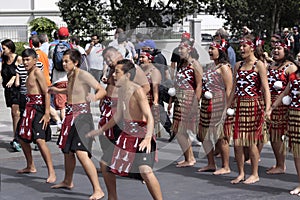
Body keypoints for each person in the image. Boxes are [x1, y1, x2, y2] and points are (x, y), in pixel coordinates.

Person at [87, 59, 163, 200]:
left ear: (127, 75)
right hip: (126, 135)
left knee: (145, 171)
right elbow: (118, 116)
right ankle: (112, 197)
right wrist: (101, 129)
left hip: (141, 135)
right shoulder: (121, 90)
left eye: (117, 72)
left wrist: (147, 138)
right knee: (104, 164)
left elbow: (149, 117)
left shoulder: (138, 90)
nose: (113, 75)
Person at [49, 49, 106, 200]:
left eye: (67, 61)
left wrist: (94, 97)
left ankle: (98, 189)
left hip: (82, 117)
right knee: (67, 152)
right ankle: (68, 181)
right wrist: (57, 90)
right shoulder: (70, 74)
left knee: (81, 153)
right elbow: (72, 89)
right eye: (63, 60)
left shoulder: (83, 74)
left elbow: (101, 90)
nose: (64, 63)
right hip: (70, 115)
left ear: (75, 62)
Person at [226, 34, 271, 184]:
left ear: (251, 47)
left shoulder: (259, 65)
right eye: (240, 46)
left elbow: (265, 89)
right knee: (237, 142)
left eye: (244, 46)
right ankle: (240, 173)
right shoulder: (237, 65)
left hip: (254, 106)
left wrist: (268, 108)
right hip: (239, 105)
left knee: (251, 141)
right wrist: (227, 106)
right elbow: (233, 89)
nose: (241, 49)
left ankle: (255, 173)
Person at [16, 48, 56, 183]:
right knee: (22, 138)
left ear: (35, 60)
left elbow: (47, 92)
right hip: (28, 108)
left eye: (28, 60)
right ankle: (30, 165)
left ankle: (51, 172)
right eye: (24, 60)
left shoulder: (37, 72)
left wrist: (46, 112)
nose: (25, 62)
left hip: (38, 108)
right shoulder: (28, 73)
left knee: (40, 140)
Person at [197, 41, 233, 174]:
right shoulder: (210, 66)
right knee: (204, 135)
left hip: (219, 103)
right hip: (206, 103)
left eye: (212, 49)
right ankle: (211, 163)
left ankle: (226, 166)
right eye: (209, 49)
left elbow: (229, 89)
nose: (210, 51)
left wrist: (227, 108)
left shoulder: (224, 67)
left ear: (221, 51)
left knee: (221, 136)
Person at [169, 38, 203, 167]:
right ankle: (189, 157)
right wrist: (172, 101)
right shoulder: (181, 64)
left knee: (182, 130)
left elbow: (199, 85)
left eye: (181, 48)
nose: (179, 51)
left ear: (189, 49)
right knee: (178, 130)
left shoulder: (195, 64)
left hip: (189, 99)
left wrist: (195, 102)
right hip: (179, 98)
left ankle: (191, 158)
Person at [266, 40, 297, 174]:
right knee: (273, 135)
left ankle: (281, 165)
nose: (276, 51)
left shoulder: (291, 67)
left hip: (285, 106)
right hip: (270, 103)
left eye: (279, 49)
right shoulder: (271, 65)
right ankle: (279, 163)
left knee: (281, 135)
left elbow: (294, 87)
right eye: (274, 49)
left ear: (286, 51)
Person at [1, 39, 22, 151]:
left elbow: (22, 71)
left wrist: (14, 77)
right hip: (8, 90)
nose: (3, 50)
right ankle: (17, 135)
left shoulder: (18, 58)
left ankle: (17, 137)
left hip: (17, 90)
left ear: (10, 48)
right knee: (14, 114)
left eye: (4, 48)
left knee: (16, 112)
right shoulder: (3, 60)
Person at [48, 27, 71, 122]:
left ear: (58, 35)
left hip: (57, 79)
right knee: (69, 104)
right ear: (68, 35)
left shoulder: (53, 46)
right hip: (69, 77)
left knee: (62, 107)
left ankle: (63, 128)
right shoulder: (70, 46)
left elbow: (50, 58)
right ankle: (68, 127)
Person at [139, 51, 162, 136]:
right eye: (140, 57)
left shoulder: (154, 71)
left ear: (149, 60)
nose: (141, 59)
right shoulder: (141, 70)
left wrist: (155, 101)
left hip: (148, 99)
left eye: (143, 57)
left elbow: (155, 88)